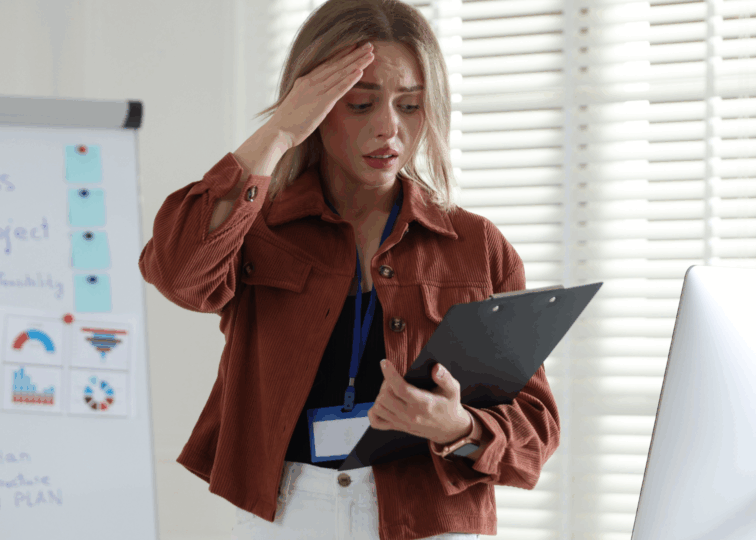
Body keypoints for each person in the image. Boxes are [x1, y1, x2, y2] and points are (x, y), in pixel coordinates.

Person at [138, 0, 560, 539]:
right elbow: (178, 273)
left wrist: (458, 426)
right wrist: (280, 131)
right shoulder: (258, 229)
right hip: (289, 512)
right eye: (360, 104)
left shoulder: (476, 246)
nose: (389, 128)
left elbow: (536, 431)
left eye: (410, 105)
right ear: (314, 106)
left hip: (431, 518)